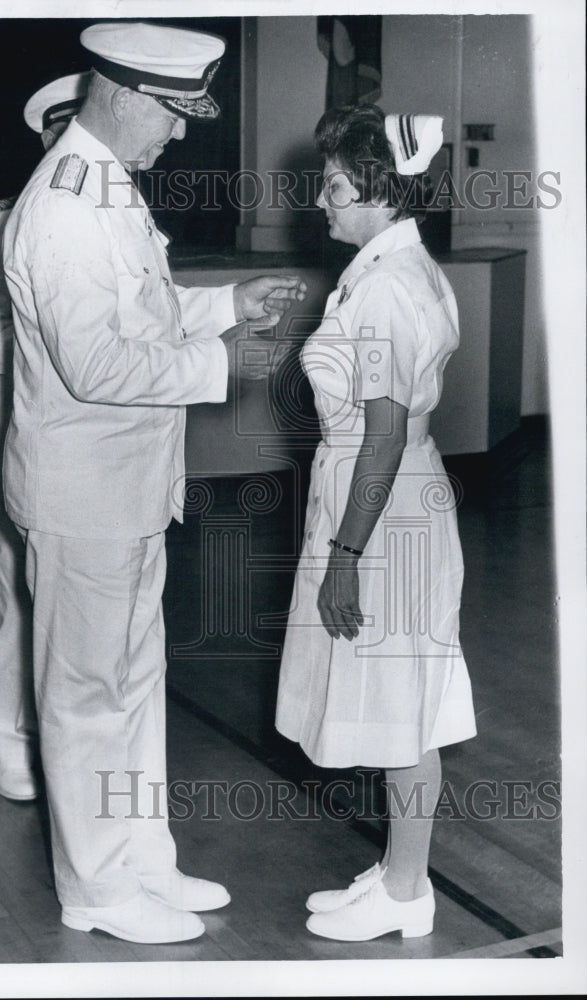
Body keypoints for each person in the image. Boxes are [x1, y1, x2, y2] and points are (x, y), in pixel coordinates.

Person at [2, 21, 306, 944]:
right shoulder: (60, 207)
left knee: (134, 684)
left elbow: (141, 306)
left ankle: (141, 860)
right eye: (174, 114)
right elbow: (96, 363)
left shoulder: (108, 189)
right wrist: (224, 360)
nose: (179, 135)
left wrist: (224, 305)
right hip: (83, 496)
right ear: (126, 95)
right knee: (86, 696)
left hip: (128, 487)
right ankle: (93, 889)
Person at [275, 104, 476, 941]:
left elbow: (384, 431)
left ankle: (406, 893)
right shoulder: (386, 267)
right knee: (398, 698)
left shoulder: (390, 286)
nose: (319, 200)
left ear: (380, 195)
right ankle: (397, 871)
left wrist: (346, 553)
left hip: (382, 506)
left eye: (332, 187)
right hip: (379, 489)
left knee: (402, 705)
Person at [0, 72, 91, 803]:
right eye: (64, 134)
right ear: (45, 139)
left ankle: (77, 748)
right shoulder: (1, 223)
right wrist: (55, 333)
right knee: (21, 601)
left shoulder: (121, 219)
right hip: (27, 447)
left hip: (103, 456)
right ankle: (11, 743)